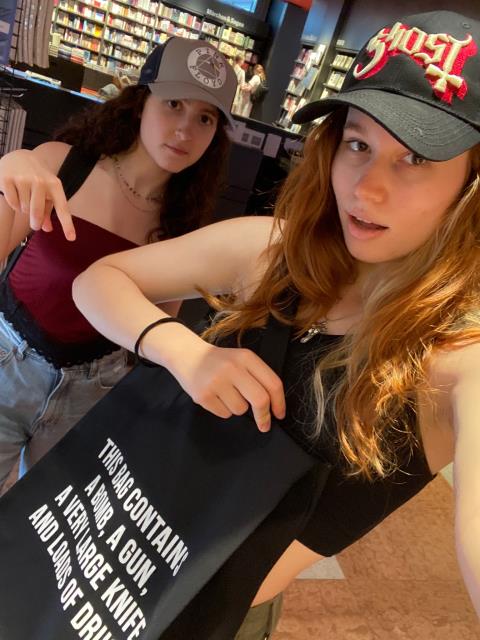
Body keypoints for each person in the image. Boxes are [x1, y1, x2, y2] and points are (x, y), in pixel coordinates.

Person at [71, 10, 480, 637]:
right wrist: (183, 351)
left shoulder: (455, 358)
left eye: (416, 157)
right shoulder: (274, 251)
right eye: (358, 144)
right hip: (104, 551)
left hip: (212, 620)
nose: (366, 189)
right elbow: (98, 280)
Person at [0, 36, 237, 490]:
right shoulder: (62, 167)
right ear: (140, 101)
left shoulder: (180, 227)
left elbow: (150, 337)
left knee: (45, 524)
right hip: (10, 363)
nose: (185, 130)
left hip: (92, 394)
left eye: (205, 118)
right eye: (173, 104)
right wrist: (9, 167)